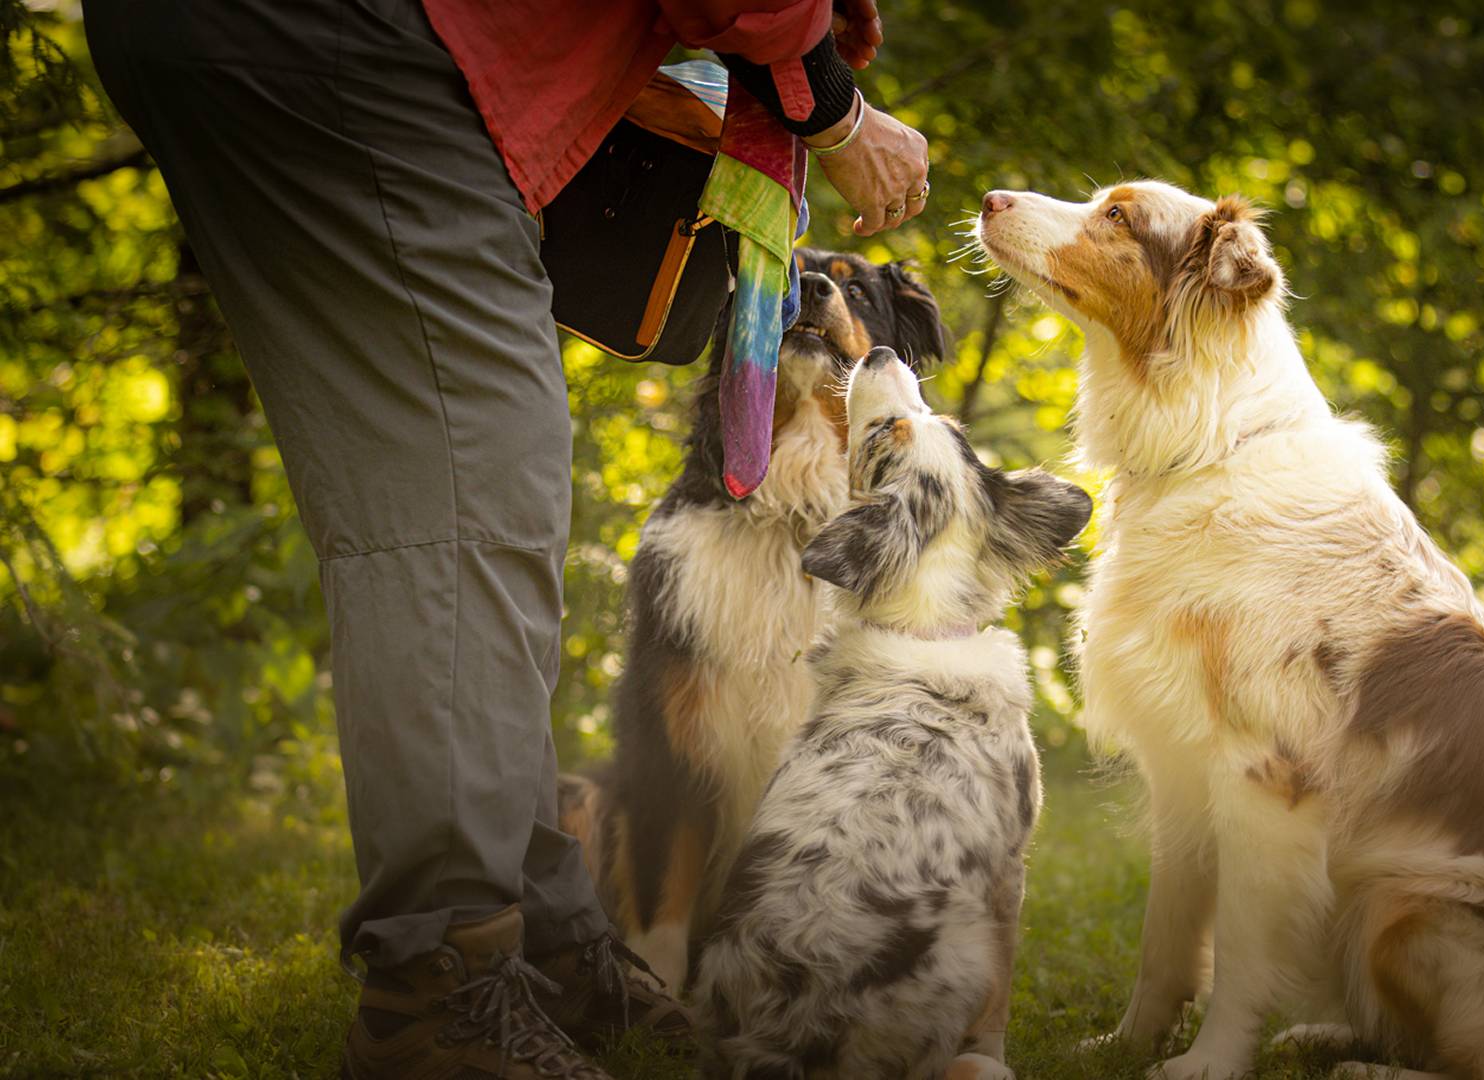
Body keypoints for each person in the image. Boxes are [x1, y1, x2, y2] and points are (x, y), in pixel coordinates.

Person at [82, 1, 930, 1077]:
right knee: (464, 502)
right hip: (355, 43)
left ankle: (544, 933)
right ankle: (439, 986)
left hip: (284, 38)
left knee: (462, 493)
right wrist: (841, 116)